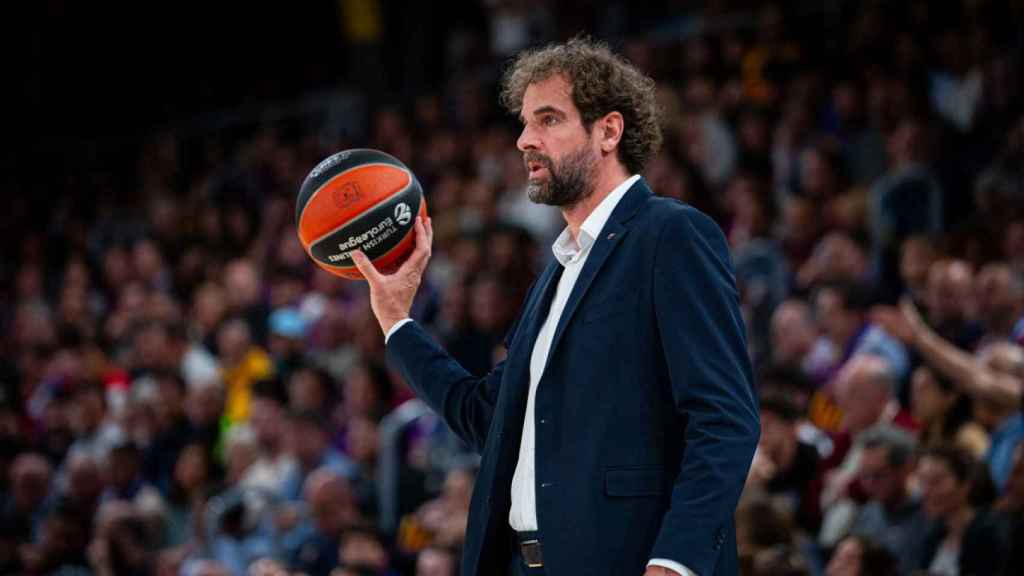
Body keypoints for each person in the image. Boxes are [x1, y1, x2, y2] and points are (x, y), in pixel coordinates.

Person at [350, 37, 759, 575]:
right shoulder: (556, 275)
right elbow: (485, 416)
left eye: (548, 120)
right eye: (524, 124)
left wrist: (677, 559)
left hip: (629, 559)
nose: (524, 140)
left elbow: (725, 417)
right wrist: (397, 320)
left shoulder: (670, 233)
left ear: (608, 131)